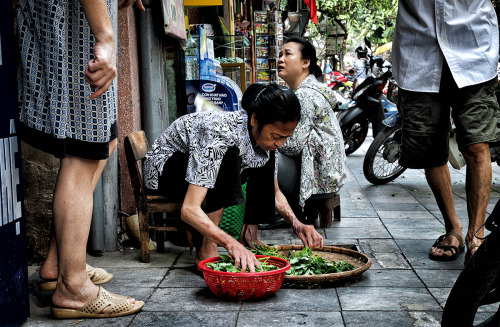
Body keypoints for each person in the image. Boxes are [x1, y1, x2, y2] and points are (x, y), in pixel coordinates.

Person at [17, 0, 145, 319]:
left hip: (81, 19)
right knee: (83, 150)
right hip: (76, 26)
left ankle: (58, 264)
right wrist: (106, 36)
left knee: (106, 141)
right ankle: (73, 287)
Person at [143, 83, 324, 272]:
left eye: (285, 138)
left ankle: (248, 235)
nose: (279, 143)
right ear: (255, 119)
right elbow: (189, 210)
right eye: (276, 136)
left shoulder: (266, 141)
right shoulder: (219, 134)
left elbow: (275, 192)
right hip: (163, 171)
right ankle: (207, 248)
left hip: (196, 169)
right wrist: (229, 243)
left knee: (264, 157)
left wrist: (297, 224)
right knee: (228, 157)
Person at [392, 0, 500, 263]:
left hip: (475, 51)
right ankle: (453, 228)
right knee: (430, 152)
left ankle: (477, 235)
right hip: (417, 53)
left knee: (477, 144)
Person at [274, 37, 347, 228]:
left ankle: (278, 211)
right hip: (328, 177)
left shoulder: (305, 96)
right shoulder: (310, 90)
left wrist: (271, 136)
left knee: (265, 151)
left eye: (287, 54)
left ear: (306, 63)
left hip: (318, 181)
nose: (280, 59)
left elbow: (293, 145)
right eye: (280, 54)